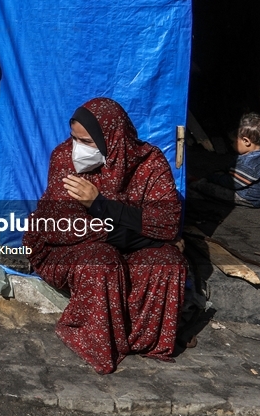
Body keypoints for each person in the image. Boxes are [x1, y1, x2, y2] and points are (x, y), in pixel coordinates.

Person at [25, 97, 185, 374]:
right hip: (67, 245)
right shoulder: (65, 158)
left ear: (113, 137)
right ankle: (97, 340)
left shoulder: (149, 163)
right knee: (103, 261)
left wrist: (100, 205)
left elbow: (167, 221)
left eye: (87, 141)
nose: (78, 148)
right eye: (75, 138)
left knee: (169, 262)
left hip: (123, 240)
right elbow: (71, 226)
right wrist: (143, 231)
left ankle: (138, 340)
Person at [190, 113, 260, 208]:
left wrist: (213, 178)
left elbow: (232, 183)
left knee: (209, 188)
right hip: (256, 195)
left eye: (233, 141)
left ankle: (197, 185)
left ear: (246, 141)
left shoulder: (249, 164)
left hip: (249, 198)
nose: (231, 144)